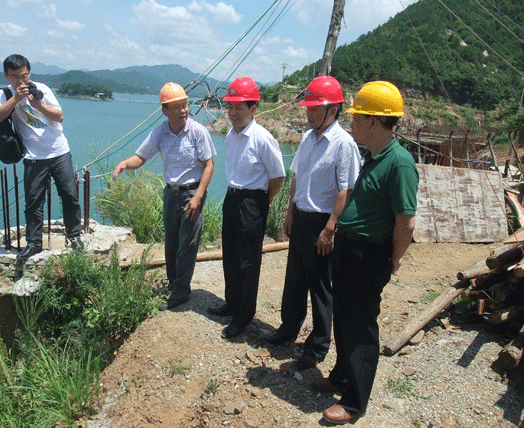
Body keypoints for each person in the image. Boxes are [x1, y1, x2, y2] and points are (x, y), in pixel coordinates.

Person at [311, 81, 419, 425]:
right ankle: (342, 376)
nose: (352, 122)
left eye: (357, 117)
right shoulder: (373, 157)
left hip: (369, 253)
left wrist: (394, 258)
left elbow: (406, 221)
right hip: (349, 247)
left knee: (360, 325)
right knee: (344, 317)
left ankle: (355, 400)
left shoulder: (399, 163)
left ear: (373, 122)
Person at [263, 76, 361, 371]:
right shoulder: (307, 139)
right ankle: (288, 328)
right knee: (295, 279)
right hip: (301, 218)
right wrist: (290, 213)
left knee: (320, 286)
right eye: (308, 108)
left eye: (315, 109)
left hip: (322, 223)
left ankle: (318, 345)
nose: (309, 113)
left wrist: (330, 228)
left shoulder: (344, 144)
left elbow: (346, 190)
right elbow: (297, 177)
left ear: (333, 110)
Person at [113, 82, 216, 311]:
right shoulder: (160, 132)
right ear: (164, 110)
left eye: (184, 105)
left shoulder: (197, 132)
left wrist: (198, 197)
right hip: (171, 193)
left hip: (192, 193)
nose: (183, 110)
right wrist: (124, 164)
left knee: (187, 245)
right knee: (171, 243)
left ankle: (181, 292)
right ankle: (173, 284)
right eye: (176, 107)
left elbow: (209, 166)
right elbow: (141, 157)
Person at [207, 77, 285, 339]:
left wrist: (263, 200)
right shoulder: (231, 135)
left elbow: (278, 175)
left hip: (252, 201)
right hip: (232, 199)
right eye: (230, 107)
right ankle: (231, 303)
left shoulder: (262, 138)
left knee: (248, 262)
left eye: (239, 107)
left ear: (253, 109)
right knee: (230, 255)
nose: (233, 112)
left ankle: (243, 316)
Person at [0, 54, 83, 260]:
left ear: (29, 72)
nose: (21, 81)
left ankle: (75, 236)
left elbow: (60, 117)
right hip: (34, 156)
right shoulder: (5, 93)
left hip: (59, 151)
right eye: (16, 76)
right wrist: (16, 98)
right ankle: (34, 243)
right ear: (7, 75)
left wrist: (39, 106)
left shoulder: (42, 89)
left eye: (24, 75)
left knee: (69, 196)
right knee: (33, 202)